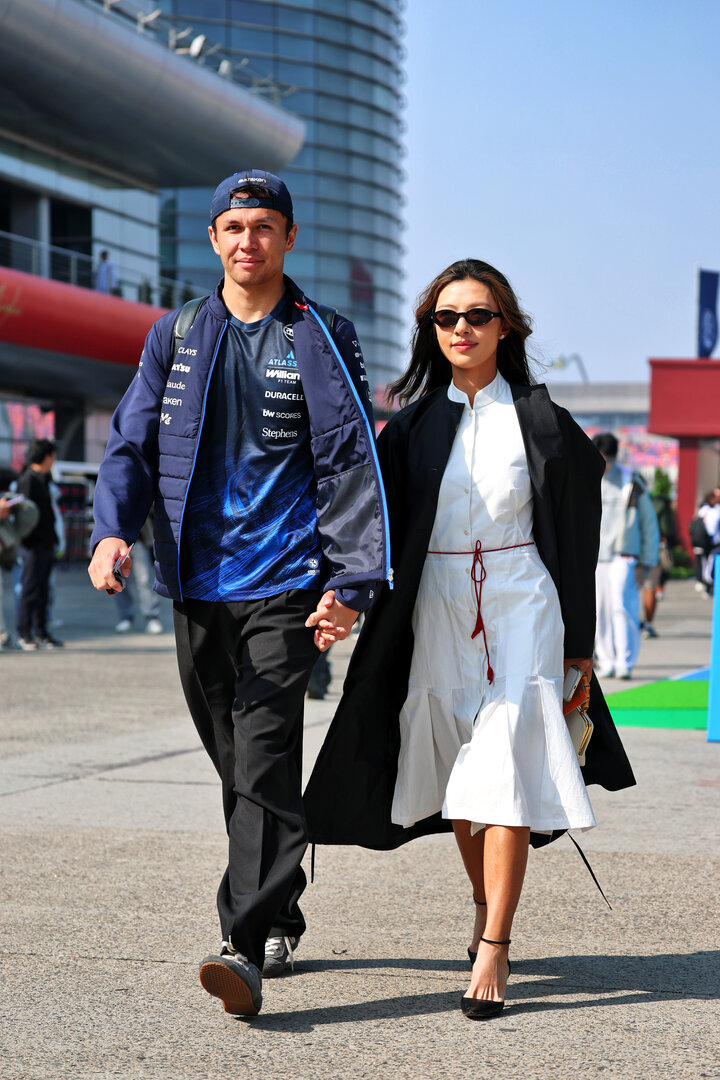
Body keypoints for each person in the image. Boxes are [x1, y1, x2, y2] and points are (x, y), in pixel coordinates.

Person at [87, 169, 390, 1016]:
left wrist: (354, 579)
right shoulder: (177, 334)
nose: (248, 240)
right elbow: (131, 445)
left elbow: (351, 461)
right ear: (214, 240)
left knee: (260, 756)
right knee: (238, 762)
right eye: (234, 227)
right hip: (196, 584)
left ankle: (243, 945)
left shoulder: (321, 334)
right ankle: (282, 898)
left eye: (264, 226)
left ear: (290, 238)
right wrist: (112, 528)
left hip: (287, 582)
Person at [304, 259, 635, 1020]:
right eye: (445, 318)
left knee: (510, 758)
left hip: (523, 598)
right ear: (431, 330)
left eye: (477, 316)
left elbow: (578, 534)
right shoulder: (413, 425)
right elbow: (368, 526)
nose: (461, 329)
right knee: (460, 776)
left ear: (505, 326)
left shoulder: (545, 420)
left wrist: (579, 645)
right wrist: (343, 598)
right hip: (438, 606)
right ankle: (483, 903)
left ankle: (495, 942)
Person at [591, 433, 660, 679]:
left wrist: (650, 558)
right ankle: (606, 660)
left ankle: (625, 661)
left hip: (624, 554)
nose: (603, 465)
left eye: (605, 459)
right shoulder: (585, 478)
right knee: (598, 609)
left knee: (622, 605)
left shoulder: (632, 481)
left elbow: (649, 521)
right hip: (595, 555)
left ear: (613, 457)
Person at [15, 439, 64, 650]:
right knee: (30, 589)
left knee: (44, 590)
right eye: (53, 456)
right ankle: (24, 633)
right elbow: (23, 515)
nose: (54, 461)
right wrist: (28, 542)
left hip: (46, 543)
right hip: (33, 545)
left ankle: (41, 632)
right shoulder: (27, 479)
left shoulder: (44, 478)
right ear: (46, 457)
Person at [113, 514, 164, 634]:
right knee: (119, 581)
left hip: (138, 538)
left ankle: (152, 617)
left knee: (145, 579)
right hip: (116, 539)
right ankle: (125, 617)